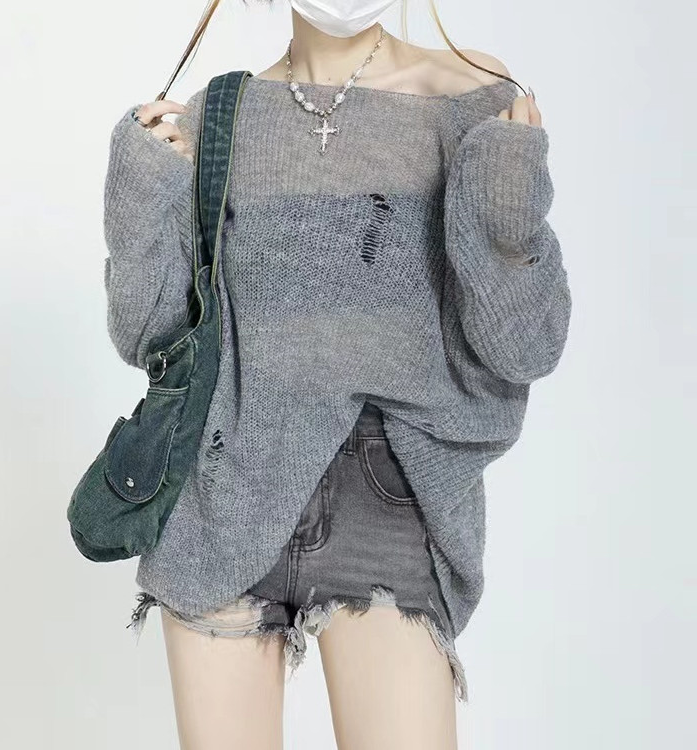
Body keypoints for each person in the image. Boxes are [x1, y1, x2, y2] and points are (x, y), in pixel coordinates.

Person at [102, 0, 572, 747]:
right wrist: (142, 187)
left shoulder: (470, 96)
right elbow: (148, 336)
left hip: (391, 497)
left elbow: (525, 347)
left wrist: (507, 205)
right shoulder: (222, 114)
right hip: (223, 495)